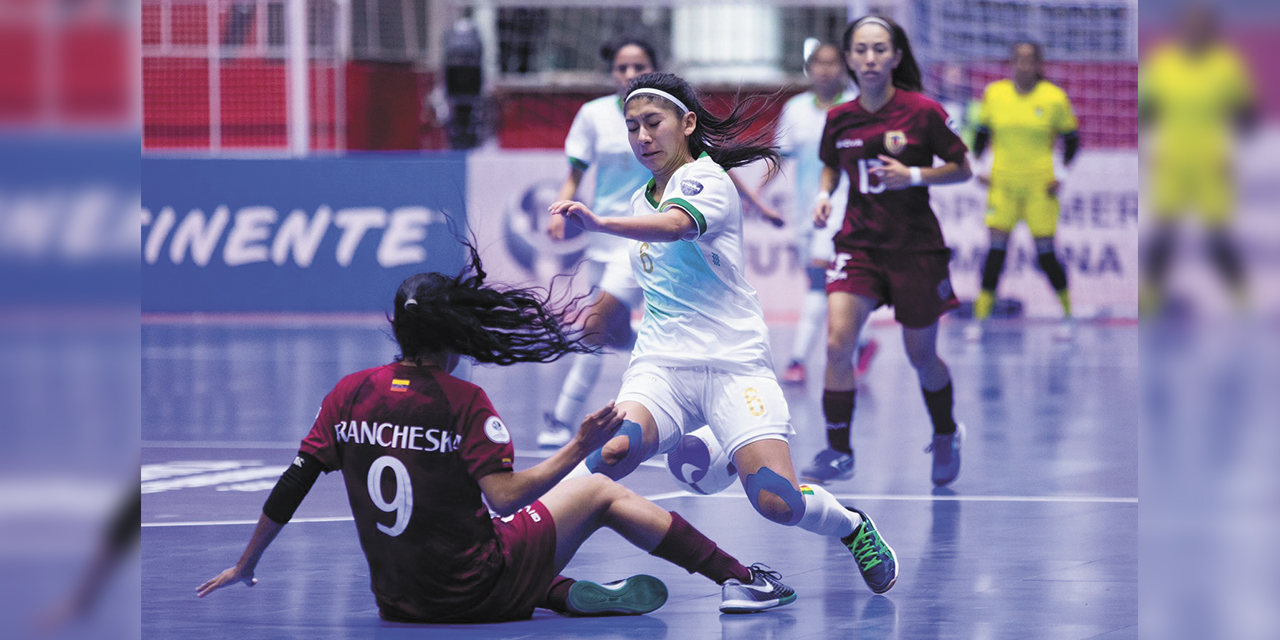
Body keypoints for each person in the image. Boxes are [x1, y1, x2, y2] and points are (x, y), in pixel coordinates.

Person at [196, 242, 798, 619]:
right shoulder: (464, 402)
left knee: (498, 535)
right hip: (475, 589)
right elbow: (507, 496)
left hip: (400, 603)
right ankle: (743, 579)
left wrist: (247, 562)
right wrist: (578, 448)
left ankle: (554, 591)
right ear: (456, 334)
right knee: (598, 492)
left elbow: (294, 480)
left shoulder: (350, 392)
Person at [550, 71, 899, 595]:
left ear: (687, 123)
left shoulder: (707, 181)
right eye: (632, 128)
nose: (642, 137)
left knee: (777, 502)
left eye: (653, 123)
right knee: (614, 453)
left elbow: (675, 226)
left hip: (734, 365)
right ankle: (530, 547)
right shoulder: (636, 201)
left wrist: (597, 225)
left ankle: (851, 526)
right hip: (662, 367)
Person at [804, 16, 972, 487]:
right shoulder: (839, 117)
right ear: (850, 59)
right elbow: (830, 168)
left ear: (896, 56)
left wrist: (914, 175)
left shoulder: (923, 111)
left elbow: (963, 168)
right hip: (857, 244)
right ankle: (839, 451)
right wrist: (823, 196)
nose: (870, 58)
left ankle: (944, 432)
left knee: (922, 356)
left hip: (915, 248)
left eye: (880, 49)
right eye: (861, 50)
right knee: (838, 343)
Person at [538, 36, 658, 448]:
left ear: (652, 69)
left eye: (638, 66)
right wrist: (561, 204)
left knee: (592, 327)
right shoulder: (592, 115)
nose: (629, 75)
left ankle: (561, 419)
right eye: (622, 67)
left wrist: (753, 203)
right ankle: (676, 358)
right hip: (601, 236)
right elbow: (575, 169)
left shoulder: (665, 114)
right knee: (614, 331)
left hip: (642, 236)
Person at [756, 38, 878, 386]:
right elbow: (779, 158)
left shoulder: (858, 107)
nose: (826, 69)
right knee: (835, 286)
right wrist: (757, 197)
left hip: (846, 211)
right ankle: (863, 343)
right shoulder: (795, 109)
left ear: (845, 68)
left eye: (833, 63)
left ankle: (797, 360)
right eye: (819, 63)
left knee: (819, 283)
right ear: (810, 69)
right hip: (806, 212)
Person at [1139, 3, 1256, 316]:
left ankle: (1243, 302)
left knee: (1218, 237)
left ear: (1211, 30)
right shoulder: (1163, 63)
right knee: (1164, 234)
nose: (1194, 30)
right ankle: (1150, 301)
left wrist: (1237, 137)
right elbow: (1146, 110)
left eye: (1201, 25)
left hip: (1211, 161)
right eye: (1189, 24)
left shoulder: (1227, 66)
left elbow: (1247, 114)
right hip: (1173, 160)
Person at [967, 41, 1080, 342]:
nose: (1024, 65)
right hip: (1002, 184)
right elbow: (981, 134)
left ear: (1040, 64)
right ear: (1011, 62)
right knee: (995, 252)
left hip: (1039, 186)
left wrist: (1061, 174)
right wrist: (977, 165)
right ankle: (980, 320)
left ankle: (1068, 316)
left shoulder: (1054, 98)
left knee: (1045, 253)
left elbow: (1072, 140)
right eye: (1019, 59)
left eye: (1030, 60)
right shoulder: (995, 94)